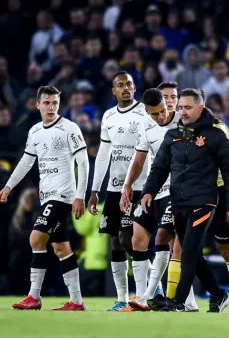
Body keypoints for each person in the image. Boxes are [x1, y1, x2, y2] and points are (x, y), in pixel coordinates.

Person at [140, 88, 229, 312]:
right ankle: (218, 294)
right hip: (179, 202)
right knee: (192, 253)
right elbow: (159, 168)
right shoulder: (173, 135)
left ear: (200, 108)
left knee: (187, 250)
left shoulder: (215, 135)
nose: (182, 112)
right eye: (180, 108)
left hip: (204, 201)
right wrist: (148, 191)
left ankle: (177, 301)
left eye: (187, 107)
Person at [0, 86, 89, 310]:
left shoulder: (69, 128)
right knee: (61, 247)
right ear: (38, 104)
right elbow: (26, 162)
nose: (51, 107)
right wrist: (9, 185)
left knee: (36, 238)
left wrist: (80, 195)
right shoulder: (35, 132)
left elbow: (83, 162)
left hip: (62, 195)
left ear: (59, 105)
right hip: (46, 195)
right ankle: (77, 301)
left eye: (55, 103)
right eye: (47, 103)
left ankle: (34, 296)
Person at [120, 88, 198, 311]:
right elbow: (139, 160)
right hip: (155, 190)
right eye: (154, 114)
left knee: (168, 240)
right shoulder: (147, 125)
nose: (160, 117)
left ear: (167, 103)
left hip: (179, 191)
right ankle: (149, 295)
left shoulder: (183, 123)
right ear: (147, 111)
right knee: (137, 238)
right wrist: (128, 185)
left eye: (162, 111)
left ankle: (148, 296)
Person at [87, 71, 149, 311]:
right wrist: (95, 189)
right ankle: (122, 298)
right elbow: (103, 154)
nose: (125, 88)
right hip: (114, 187)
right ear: (113, 90)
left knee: (127, 237)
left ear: (135, 88)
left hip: (138, 185)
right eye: (120, 85)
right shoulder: (109, 116)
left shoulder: (144, 113)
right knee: (115, 241)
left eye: (129, 84)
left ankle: (150, 289)